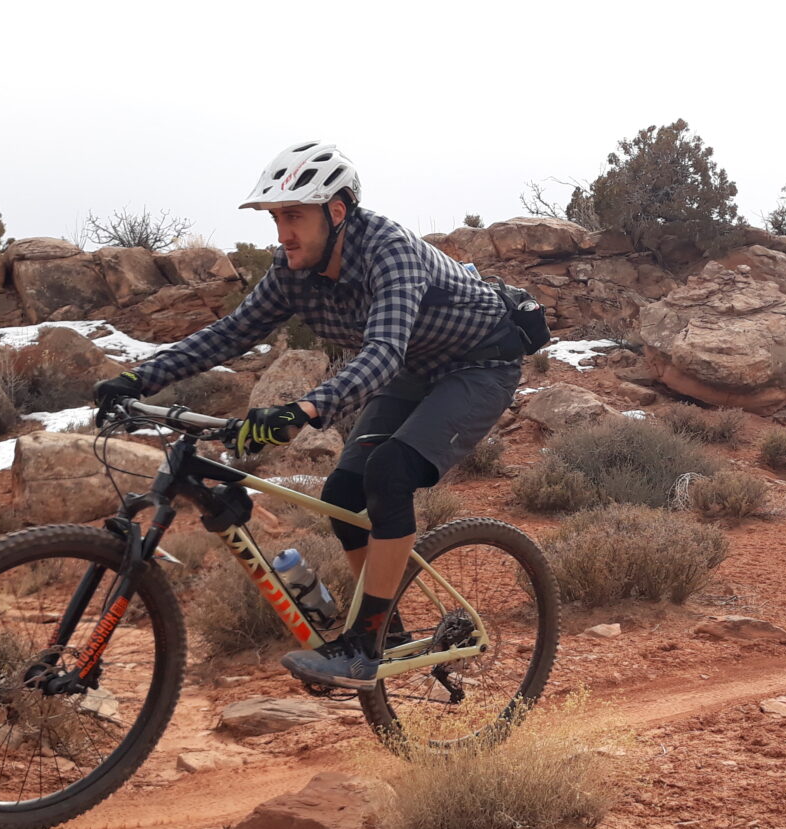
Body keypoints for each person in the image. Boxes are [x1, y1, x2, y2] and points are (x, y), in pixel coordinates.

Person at [93, 141, 526, 690]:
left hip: (479, 365)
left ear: (337, 211)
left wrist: (303, 410)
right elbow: (232, 333)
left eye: (293, 216)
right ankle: (384, 628)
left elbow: (383, 352)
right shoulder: (292, 270)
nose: (282, 232)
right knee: (343, 492)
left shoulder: (388, 250)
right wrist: (139, 377)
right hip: (417, 368)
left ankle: (362, 649)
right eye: (276, 217)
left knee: (388, 473)